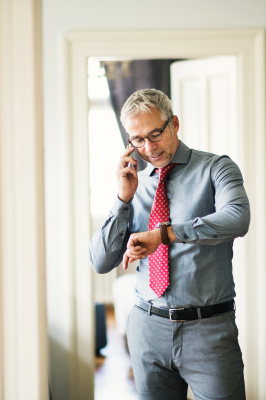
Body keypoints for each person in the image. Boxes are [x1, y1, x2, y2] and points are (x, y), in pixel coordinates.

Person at [89, 89, 250, 400]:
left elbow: (237, 218)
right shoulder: (134, 183)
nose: (148, 148)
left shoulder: (216, 168)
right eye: (137, 140)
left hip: (209, 331)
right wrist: (122, 198)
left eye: (155, 134)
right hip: (147, 329)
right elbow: (99, 261)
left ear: (174, 123)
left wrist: (163, 235)